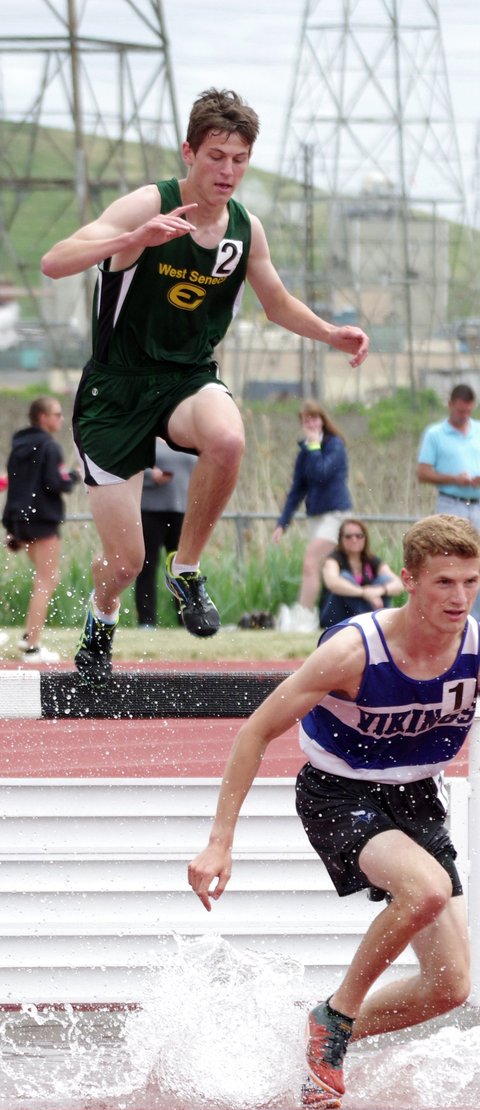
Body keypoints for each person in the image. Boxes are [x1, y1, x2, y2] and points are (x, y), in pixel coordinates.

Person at [188, 514, 480, 1110]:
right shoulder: (352, 651)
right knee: (424, 889)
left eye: (471, 582)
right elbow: (255, 732)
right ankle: (336, 1016)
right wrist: (220, 842)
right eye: (444, 583)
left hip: (417, 797)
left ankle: (324, 1035)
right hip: (337, 793)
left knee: (449, 987)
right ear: (407, 580)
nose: (460, 598)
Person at [40, 88, 369, 687]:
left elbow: (275, 302)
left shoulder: (246, 229)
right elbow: (54, 260)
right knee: (123, 562)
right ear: (189, 152)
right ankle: (100, 617)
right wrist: (133, 239)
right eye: (217, 157)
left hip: (188, 378)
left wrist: (330, 332)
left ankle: (186, 569)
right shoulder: (150, 202)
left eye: (240, 160)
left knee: (228, 439)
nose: (228, 172)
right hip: (116, 389)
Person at [416, 383, 480, 627]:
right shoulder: (435, 434)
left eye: (467, 412)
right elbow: (423, 472)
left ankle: (477, 620)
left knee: (479, 559)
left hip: (479, 503)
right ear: (450, 405)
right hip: (450, 501)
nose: (464, 416)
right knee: (449, 559)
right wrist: (453, 478)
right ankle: (445, 616)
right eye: (459, 411)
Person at [2, 396, 80, 663]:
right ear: (43, 418)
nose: (60, 419)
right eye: (57, 414)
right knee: (46, 580)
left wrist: (11, 526)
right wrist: (75, 476)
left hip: (21, 521)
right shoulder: (49, 446)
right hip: (43, 521)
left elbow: (15, 488)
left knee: (47, 577)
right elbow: (56, 483)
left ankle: (28, 636)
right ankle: (32, 646)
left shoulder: (18, 447)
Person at [272, 400, 353, 632]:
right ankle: (324, 619)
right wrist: (282, 523)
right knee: (322, 568)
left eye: (314, 418)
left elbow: (321, 474)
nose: (310, 424)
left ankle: (304, 616)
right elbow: (298, 489)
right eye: (306, 420)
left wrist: (315, 447)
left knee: (311, 561)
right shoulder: (305, 452)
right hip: (315, 516)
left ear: (323, 420)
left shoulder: (334, 445)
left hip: (335, 515)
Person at [134, 440, 197, 627]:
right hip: (150, 511)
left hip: (181, 511)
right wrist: (151, 476)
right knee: (147, 567)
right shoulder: (145, 438)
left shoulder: (187, 439)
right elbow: (128, 468)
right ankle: (146, 621)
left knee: (182, 568)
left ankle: (187, 618)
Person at [318, 518, 404, 629]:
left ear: (365, 538)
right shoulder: (333, 559)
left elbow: (398, 584)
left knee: (384, 580)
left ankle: (374, 621)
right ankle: (376, 622)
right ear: (341, 539)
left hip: (362, 613)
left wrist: (379, 590)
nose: (354, 540)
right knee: (345, 577)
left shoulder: (370, 560)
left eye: (359, 536)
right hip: (336, 617)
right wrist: (363, 593)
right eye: (348, 536)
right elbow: (333, 583)